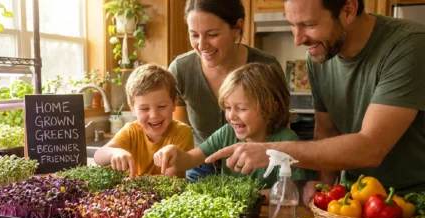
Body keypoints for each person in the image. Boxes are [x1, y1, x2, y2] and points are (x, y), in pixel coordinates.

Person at [205, 0, 425, 204]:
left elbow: (372, 147)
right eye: (292, 25)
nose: (298, 39)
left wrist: (273, 151)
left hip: (410, 203)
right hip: (353, 200)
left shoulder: (409, 45)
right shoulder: (320, 55)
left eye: (308, 24)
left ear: (348, 10)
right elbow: (327, 131)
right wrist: (323, 184)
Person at [170, 0, 284, 181]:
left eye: (212, 34)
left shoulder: (266, 66)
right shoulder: (181, 69)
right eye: (194, 35)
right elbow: (178, 132)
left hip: (253, 168)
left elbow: (281, 128)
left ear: (238, 28)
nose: (202, 45)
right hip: (201, 166)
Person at [154, 63, 304, 195]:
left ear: (271, 107)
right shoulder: (226, 133)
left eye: (241, 108)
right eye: (227, 107)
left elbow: (290, 191)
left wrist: (252, 196)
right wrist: (174, 153)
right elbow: (190, 160)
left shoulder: (287, 142)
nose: (231, 116)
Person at [94, 64, 194, 178]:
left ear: (174, 104)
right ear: (132, 109)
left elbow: (171, 180)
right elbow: (98, 156)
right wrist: (115, 152)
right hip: (133, 193)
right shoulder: (131, 131)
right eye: (144, 108)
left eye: (161, 106)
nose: (154, 115)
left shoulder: (182, 132)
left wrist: (132, 181)